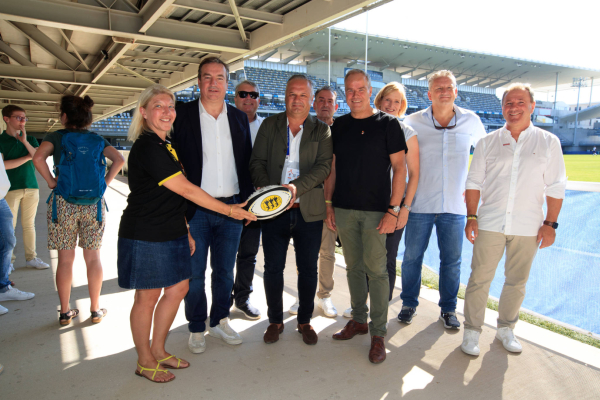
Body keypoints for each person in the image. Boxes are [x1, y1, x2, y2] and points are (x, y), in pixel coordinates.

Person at [117, 85, 256, 383]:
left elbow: (174, 197)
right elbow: (185, 189)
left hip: (172, 228)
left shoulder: (167, 144)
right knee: (148, 297)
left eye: (171, 106)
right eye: (158, 106)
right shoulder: (147, 146)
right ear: (143, 112)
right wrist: (230, 210)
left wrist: (184, 228)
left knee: (179, 289)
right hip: (146, 231)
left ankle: (158, 349)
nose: (167, 112)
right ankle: (144, 360)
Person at [461, 84, 566, 356]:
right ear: (502, 107)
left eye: (520, 101)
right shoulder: (487, 142)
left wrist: (550, 224)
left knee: (516, 281)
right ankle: (471, 332)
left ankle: (506, 328)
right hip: (490, 222)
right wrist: (472, 216)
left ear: (532, 106)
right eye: (508, 102)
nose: (514, 107)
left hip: (528, 225)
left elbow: (555, 185)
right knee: (479, 279)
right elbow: (473, 181)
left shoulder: (548, 142)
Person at [172, 57, 255, 354]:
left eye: (219, 77)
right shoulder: (181, 116)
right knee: (194, 273)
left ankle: (219, 320)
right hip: (194, 209)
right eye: (207, 77)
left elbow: (245, 163)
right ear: (198, 82)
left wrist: (249, 204)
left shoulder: (237, 118)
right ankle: (196, 326)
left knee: (224, 271)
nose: (213, 83)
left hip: (232, 208)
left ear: (226, 83)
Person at [327, 69, 407, 364]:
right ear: (345, 92)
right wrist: (328, 204)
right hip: (345, 209)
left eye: (360, 89)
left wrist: (393, 210)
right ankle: (358, 320)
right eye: (350, 90)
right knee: (352, 268)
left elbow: (401, 169)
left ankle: (378, 334)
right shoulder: (339, 126)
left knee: (377, 271)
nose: (355, 94)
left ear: (369, 90)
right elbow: (333, 168)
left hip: (377, 211)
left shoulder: (389, 125)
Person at [250, 74, 332, 345]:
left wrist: (294, 188)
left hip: (308, 209)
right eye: (292, 95)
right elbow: (257, 162)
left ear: (311, 99)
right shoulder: (270, 125)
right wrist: (273, 194)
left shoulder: (321, 129)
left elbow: (323, 168)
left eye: (303, 95)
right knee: (273, 267)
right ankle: (275, 321)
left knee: (308, 268)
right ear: (285, 96)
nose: (297, 100)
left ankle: (305, 321)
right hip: (274, 209)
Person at [400, 70, 486, 329]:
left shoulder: (471, 121)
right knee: (412, 258)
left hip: (455, 206)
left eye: (449, 87)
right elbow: (399, 161)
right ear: (429, 94)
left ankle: (448, 309)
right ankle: (408, 304)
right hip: (420, 204)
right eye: (438, 88)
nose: (444, 92)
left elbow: (486, 156)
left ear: (456, 92)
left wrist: (475, 187)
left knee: (451, 261)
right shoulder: (412, 121)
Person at [32, 95, 125, 326]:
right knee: (93, 258)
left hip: (63, 202)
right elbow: (120, 160)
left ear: (64, 116)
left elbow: (38, 158)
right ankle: (95, 310)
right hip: (93, 205)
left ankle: (65, 312)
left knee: (65, 260)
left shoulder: (57, 136)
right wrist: (104, 183)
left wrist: (52, 182)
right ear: (87, 118)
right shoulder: (97, 139)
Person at [338, 82, 420, 318]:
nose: (392, 106)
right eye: (388, 100)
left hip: (392, 206)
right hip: (368, 202)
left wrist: (404, 207)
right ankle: (360, 306)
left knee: (387, 258)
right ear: (379, 101)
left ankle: (379, 310)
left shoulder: (406, 132)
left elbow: (412, 173)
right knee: (362, 258)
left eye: (397, 102)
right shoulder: (367, 125)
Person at [289, 85, 339, 318]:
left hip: (331, 201)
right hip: (306, 199)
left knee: (327, 251)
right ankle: (303, 296)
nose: (325, 104)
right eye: (321, 100)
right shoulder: (302, 129)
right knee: (305, 253)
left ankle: (324, 295)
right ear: (313, 103)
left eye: (330, 101)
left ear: (336, 106)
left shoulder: (342, 132)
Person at [0, 105, 49, 272]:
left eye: (24, 118)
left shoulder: (31, 140)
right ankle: (9, 261)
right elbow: (3, 166)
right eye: (18, 117)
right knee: (9, 226)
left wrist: (25, 141)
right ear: (7, 119)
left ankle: (31, 258)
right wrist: (27, 156)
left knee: (29, 225)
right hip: (10, 188)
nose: (23, 121)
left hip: (31, 186)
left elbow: (37, 158)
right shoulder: (1, 141)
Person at [231, 80, 264, 320]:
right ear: (235, 97)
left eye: (253, 94)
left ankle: (242, 298)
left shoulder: (267, 127)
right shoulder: (223, 123)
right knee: (223, 255)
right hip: (227, 199)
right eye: (243, 94)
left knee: (248, 254)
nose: (248, 98)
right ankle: (221, 301)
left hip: (256, 201)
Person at [0, 148, 35, 315]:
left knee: (8, 241)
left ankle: (3, 288)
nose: (24, 120)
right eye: (19, 118)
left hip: (0, 197)